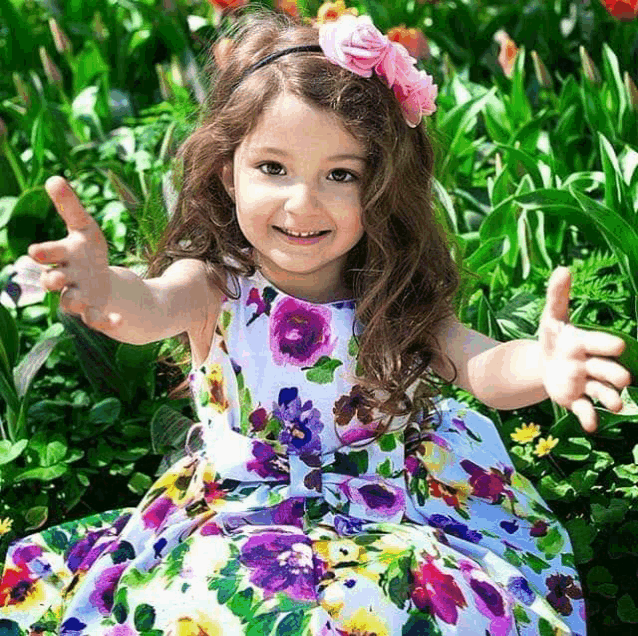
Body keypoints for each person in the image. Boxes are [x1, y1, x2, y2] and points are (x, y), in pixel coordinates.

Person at [0, 7, 630, 635]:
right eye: (272, 168)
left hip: (396, 508)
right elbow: (143, 308)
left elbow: (483, 368)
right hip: (242, 513)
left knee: (406, 605)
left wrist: (541, 364)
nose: (303, 203)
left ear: (381, 186)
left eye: (340, 175)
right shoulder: (213, 283)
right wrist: (105, 289)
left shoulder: (392, 295)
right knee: (222, 607)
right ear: (228, 171)